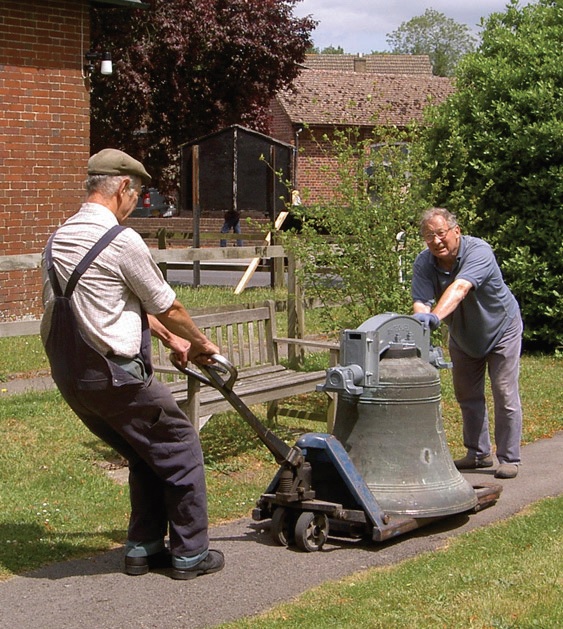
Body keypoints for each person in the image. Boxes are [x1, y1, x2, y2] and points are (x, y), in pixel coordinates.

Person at [40, 148, 225, 579]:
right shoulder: (120, 240)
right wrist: (198, 342)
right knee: (180, 447)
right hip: (115, 376)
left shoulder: (59, 238)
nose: (135, 204)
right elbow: (168, 303)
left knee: (146, 450)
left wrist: (169, 338)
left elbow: (107, 303)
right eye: (136, 194)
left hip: (72, 378)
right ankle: (190, 555)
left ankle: (142, 548)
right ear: (123, 187)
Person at [411, 207, 523, 480]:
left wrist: (435, 316)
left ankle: (509, 458)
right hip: (463, 336)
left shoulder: (478, 252)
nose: (436, 241)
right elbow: (420, 302)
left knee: (504, 393)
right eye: (429, 236)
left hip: (501, 330)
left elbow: (460, 288)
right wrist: (420, 323)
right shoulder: (424, 263)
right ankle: (478, 454)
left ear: (456, 231)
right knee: (467, 396)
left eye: (440, 233)